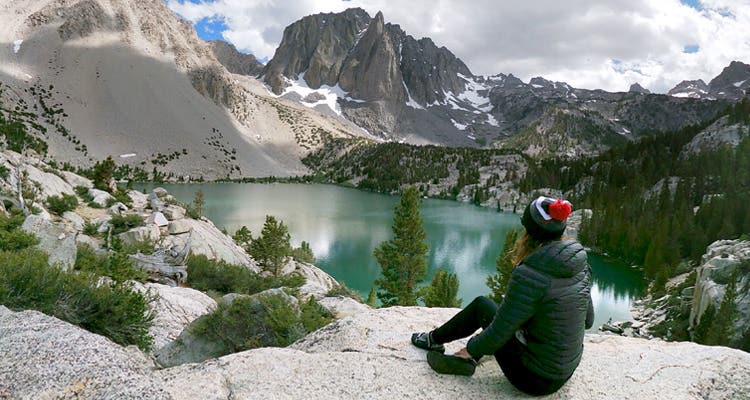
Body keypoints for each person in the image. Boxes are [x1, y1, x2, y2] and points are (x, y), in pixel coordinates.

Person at [411, 196, 594, 396]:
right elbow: (588, 320)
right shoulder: (578, 261)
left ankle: (435, 341)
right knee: (507, 315)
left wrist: (469, 349)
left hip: (534, 379)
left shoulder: (531, 273)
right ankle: (455, 347)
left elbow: (499, 332)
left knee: (483, 306)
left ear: (529, 232)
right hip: (566, 370)